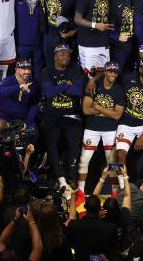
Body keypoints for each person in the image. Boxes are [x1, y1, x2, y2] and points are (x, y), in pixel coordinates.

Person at [40, 44, 84, 194]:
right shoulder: (47, 71)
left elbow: (78, 91)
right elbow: (48, 93)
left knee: (73, 144)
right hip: (52, 116)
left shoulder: (74, 69)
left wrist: (57, 87)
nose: (65, 56)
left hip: (71, 115)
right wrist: (66, 84)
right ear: (55, 57)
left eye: (67, 54)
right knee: (51, 143)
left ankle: (69, 176)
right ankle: (60, 178)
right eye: (61, 54)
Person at [78, 61, 124, 193]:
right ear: (105, 71)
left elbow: (117, 116)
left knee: (112, 161)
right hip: (91, 129)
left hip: (110, 130)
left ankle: (115, 191)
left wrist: (98, 107)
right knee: (84, 159)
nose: (113, 74)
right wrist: (108, 110)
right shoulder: (94, 85)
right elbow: (86, 110)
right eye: (110, 71)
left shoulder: (119, 89)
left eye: (115, 72)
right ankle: (81, 191)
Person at [75, 0, 111, 77]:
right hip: (88, 43)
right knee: (90, 76)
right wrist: (95, 25)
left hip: (103, 41)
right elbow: (77, 19)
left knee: (103, 74)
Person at [41, 0, 79, 66]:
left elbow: (80, 16)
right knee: (49, 63)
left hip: (64, 36)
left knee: (64, 64)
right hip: (49, 34)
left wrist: (73, 32)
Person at [66, 195, 118, 261]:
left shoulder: (73, 225)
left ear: (84, 206)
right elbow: (112, 249)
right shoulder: (110, 228)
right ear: (99, 208)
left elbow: (70, 244)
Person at [0, 59, 38, 135]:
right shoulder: (8, 81)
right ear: (16, 70)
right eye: (24, 69)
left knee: (34, 133)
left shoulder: (32, 84)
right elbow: (0, 92)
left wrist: (26, 122)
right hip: (7, 119)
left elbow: (34, 105)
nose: (27, 72)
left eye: (29, 69)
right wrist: (19, 87)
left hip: (24, 119)